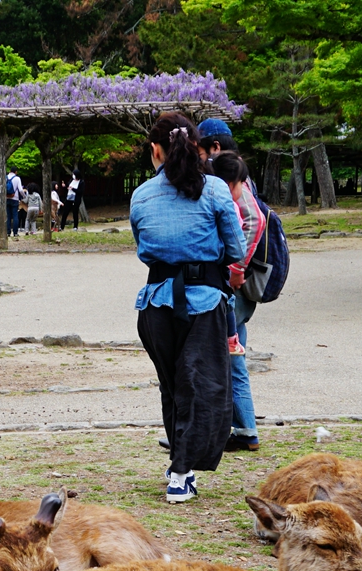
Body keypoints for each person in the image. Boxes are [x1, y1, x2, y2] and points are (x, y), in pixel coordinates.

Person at [129, 112, 244, 504]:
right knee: (197, 386)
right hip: (203, 302)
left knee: (173, 386)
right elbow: (236, 250)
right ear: (196, 147)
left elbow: (144, 250)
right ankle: (181, 472)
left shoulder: (141, 196)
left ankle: (180, 460)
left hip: (156, 305)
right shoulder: (213, 190)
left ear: (155, 149)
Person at [206, 150, 263, 455]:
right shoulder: (225, 194)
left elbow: (256, 221)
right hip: (230, 289)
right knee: (232, 354)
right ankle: (241, 429)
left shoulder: (233, 199)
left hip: (231, 288)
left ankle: (241, 430)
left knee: (230, 357)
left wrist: (237, 268)